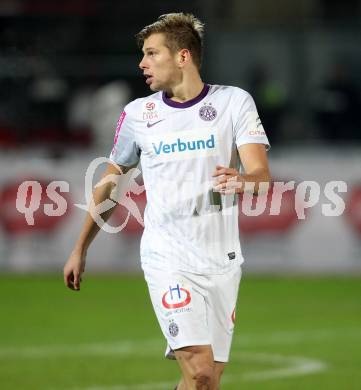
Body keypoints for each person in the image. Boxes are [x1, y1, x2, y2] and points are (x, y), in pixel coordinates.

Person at [63, 13, 271, 390]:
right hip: (168, 258)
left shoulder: (233, 103)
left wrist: (244, 181)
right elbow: (111, 184)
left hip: (222, 260)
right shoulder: (139, 114)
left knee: (204, 383)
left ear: (183, 56)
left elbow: (260, 179)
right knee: (201, 370)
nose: (142, 63)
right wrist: (80, 247)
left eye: (151, 53)